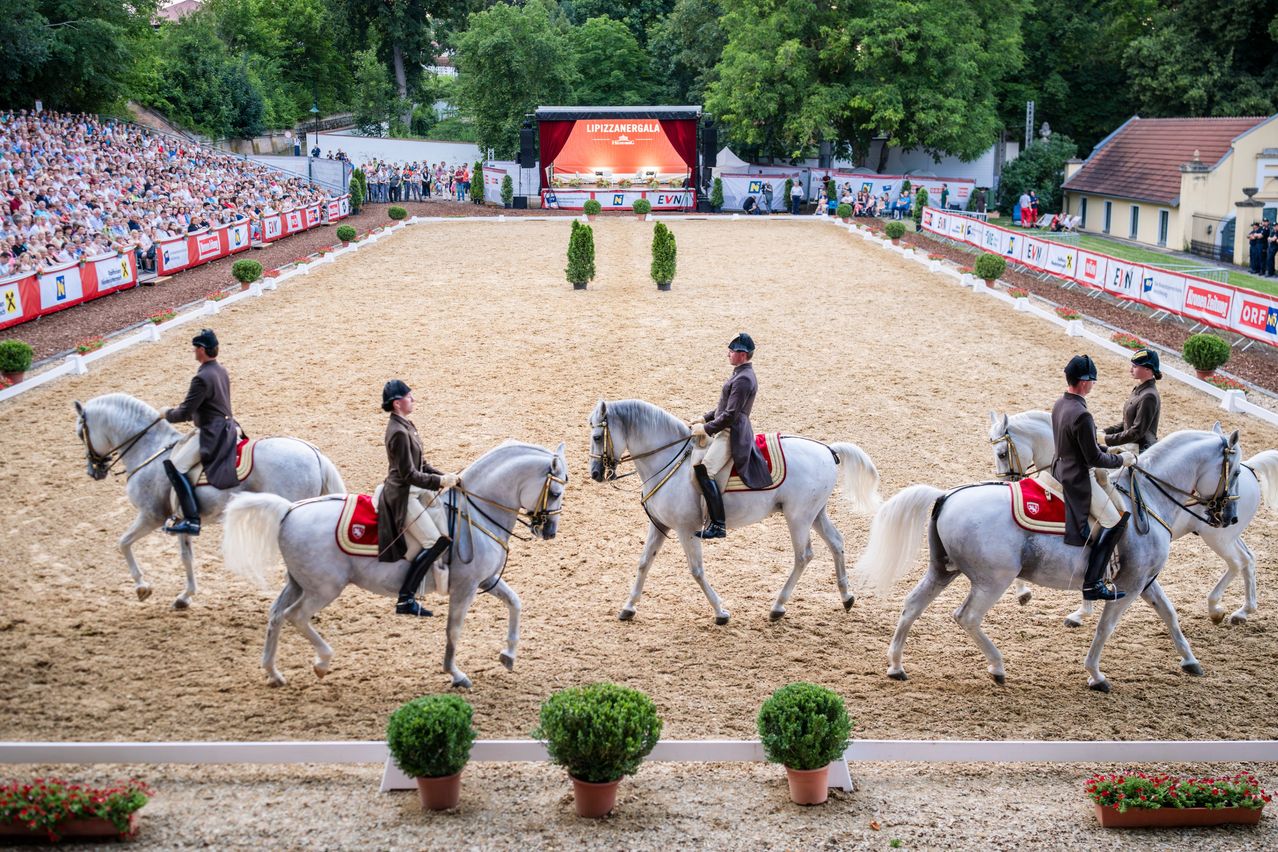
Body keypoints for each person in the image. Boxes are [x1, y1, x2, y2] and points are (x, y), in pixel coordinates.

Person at [1046, 355, 1136, 601]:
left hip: (1059, 468)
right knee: (1115, 521)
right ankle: (1093, 583)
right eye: (1092, 381)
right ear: (1084, 382)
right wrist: (1122, 460)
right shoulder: (1082, 414)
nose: (1093, 385)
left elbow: (1080, 446)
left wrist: (1110, 450)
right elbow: (1093, 459)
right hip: (1077, 477)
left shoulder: (1060, 403)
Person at [377, 380, 461, 617]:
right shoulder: (398, 432)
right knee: (435, 542)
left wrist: (447, 476)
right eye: (409, 397)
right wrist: (440, 482)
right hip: (404, 494)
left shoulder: (407, 425)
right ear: (397, 403)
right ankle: (406, 598)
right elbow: (409, 475)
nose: (413, 400)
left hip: (415, 489)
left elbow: (422, 464)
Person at [687, 333, 770, 539]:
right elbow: (722, 408)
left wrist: (706, 430)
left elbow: (730, 415)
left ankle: (718, 524)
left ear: (742, 354)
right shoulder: (738, 373)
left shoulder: (743, 379)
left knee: (705, 471)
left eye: (732, 351)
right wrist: (703, 419)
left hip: (730, 433)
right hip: (724, 426)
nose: (728, 354)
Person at [161, 329, 241, 536]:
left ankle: (192, 520)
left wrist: (166, 414)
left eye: (195, 348)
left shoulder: (202, 377)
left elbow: (186, 412)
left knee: (176, 466)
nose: (194, 352)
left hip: (212, 432)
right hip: (228, 425)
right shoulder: (220, 370)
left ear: (202, 350)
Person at [1102, 349, 1161, 453]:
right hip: (1130, 445)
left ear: (1147, 369)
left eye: (1135, 366)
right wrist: (1105, 431)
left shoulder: (1148, 396)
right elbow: (1127, 422)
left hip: (1140, 451)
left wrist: (1106, 439)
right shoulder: (1140, 389)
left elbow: (1136, 432)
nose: (1130, 370)